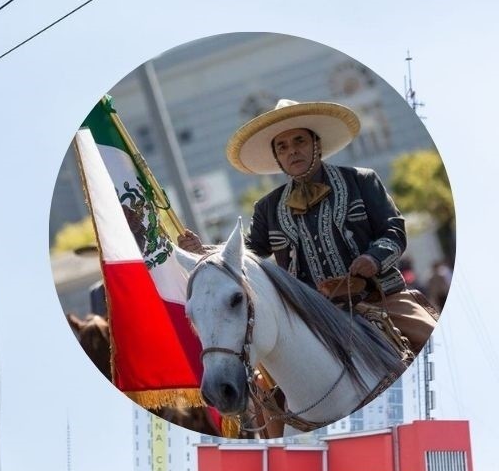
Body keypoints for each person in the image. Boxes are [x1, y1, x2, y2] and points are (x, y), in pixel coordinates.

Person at [179, 99, 438, 355]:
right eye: (282, 146)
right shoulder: (267, 208)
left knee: (436, 345)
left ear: (317, 144)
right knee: (271, 391)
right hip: (313, 320)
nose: (291, 150)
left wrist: (374, 258)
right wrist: (203, 250)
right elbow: (245, 252)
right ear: (278, 158)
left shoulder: (361, 180)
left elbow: (393, 231)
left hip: (381, 300)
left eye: (299, 141)